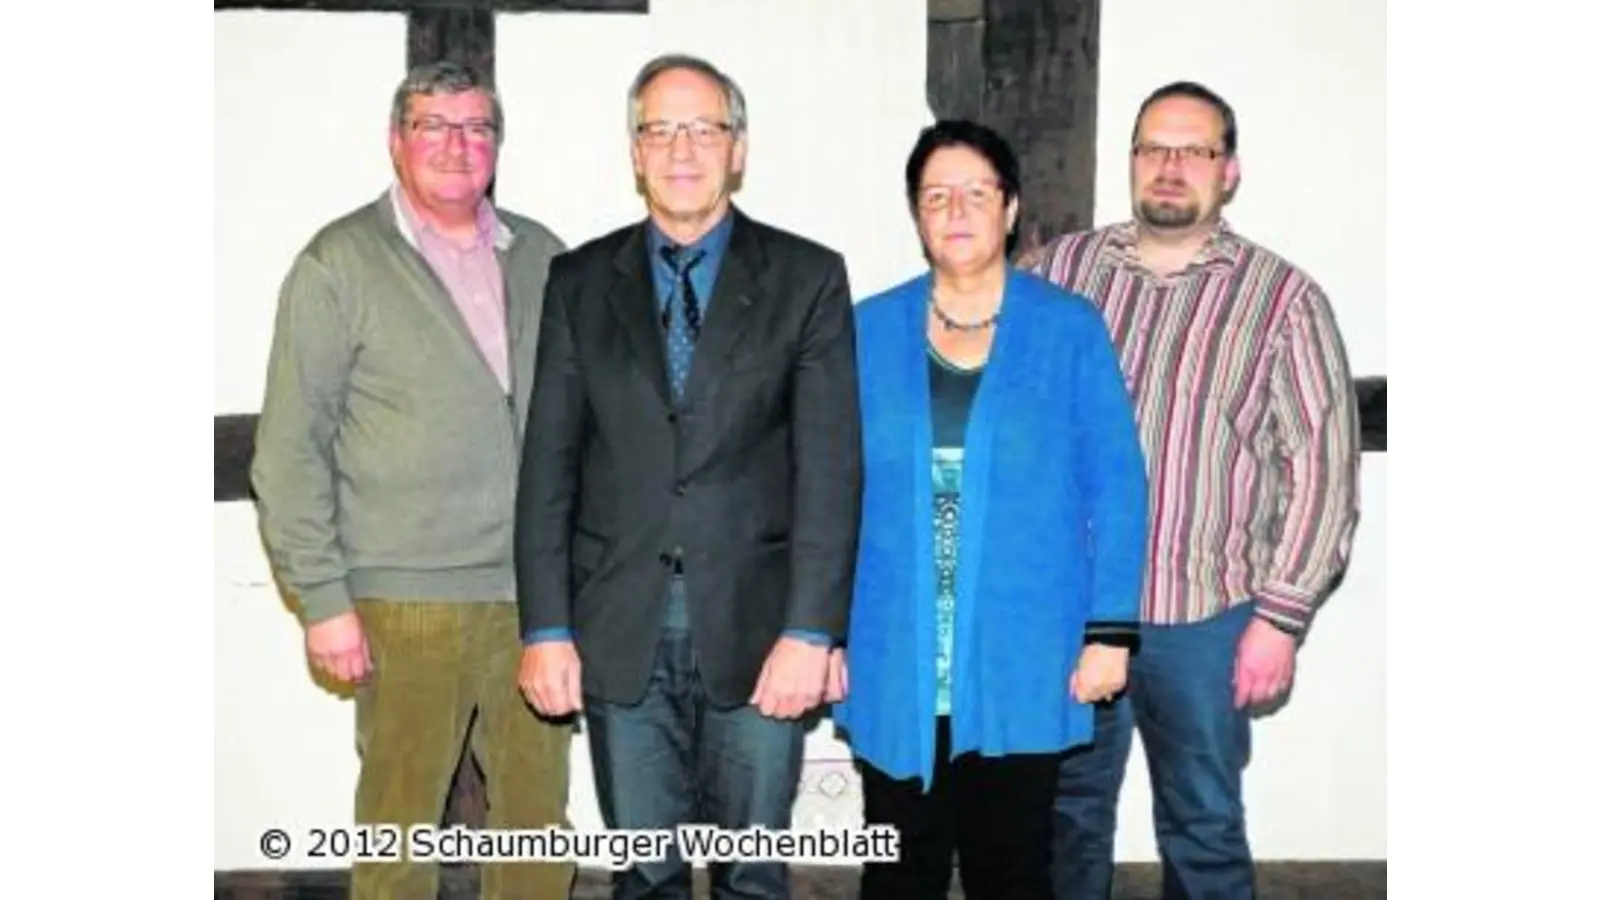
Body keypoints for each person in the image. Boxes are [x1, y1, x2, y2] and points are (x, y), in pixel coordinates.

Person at [513, 53, 862, 900]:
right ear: (634, 152)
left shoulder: (808, 277)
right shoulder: (579, 282)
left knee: (752, 876)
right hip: (617, 629)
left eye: (703, 129)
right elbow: (548, 465)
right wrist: (546, 627)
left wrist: (811, 632)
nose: (681, 149)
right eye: (659, 130)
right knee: (645, 875)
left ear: (738, 147)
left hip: (761, 633)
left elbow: (829, 469)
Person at [1020, 81, 1362, 900]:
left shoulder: (1283, 300)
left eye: (1194, 150)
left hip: (1206, 617)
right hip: (1071, 612)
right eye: (1153, 148)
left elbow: (1322, 466)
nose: (1170, 167)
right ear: (1132, 160)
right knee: (1063, 819)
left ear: (1229, 170)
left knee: (1203, 823)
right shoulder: (1056, 273)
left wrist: (1280, 620)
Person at [249, 61, 574, 900]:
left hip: (533, 601)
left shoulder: (543, 255)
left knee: (538, 833)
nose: (457, 145)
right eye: (434, 125)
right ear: (397, 141)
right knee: (397, 836)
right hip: (403, 604)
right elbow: (288, 451)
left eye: (476, 127)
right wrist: (323, 600)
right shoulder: (338, 264)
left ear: (497, 144)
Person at [829, 119, 1149, 900]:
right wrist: (822, 632)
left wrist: (1110, 631)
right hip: (895, 646)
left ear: (1009, 209)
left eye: (977, 192)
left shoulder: (1068, 329)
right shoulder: (866, 330)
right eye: (936, 196)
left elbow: (1117, 482)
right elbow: (827, 491)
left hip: (1022, 650)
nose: (957, 210)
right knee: (898, 870)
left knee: (1012, 868)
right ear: (916, 214)